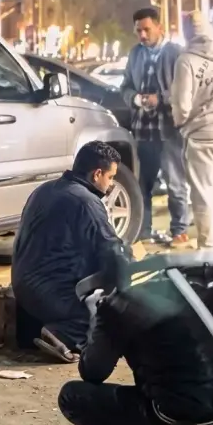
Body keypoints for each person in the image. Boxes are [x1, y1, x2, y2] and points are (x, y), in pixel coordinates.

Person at [58, 264, 213, 425]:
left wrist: (97, 315)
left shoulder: (120, 303)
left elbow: (92, 371)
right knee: (196, 366)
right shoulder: (209, 282)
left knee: (72, 396)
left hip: (174, 419)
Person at [11, 140, 126, 363]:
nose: (111, 184)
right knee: (105, 319)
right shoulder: (86, 201)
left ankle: (40, 330)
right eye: (110, 177)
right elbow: (110, 248)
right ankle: (62, 335)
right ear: (97, 174)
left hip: (22, 288)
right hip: (49, 291)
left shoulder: (44, 190)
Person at [121, 7, 189, 246]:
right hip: (143, 130)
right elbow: (125, 86)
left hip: (169, 129)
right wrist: (135, 99)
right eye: (138, 30)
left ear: (159, 27)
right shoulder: (135, 54)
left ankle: (179, 230)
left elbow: (184, 90)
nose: (142, 35)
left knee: (175, 182)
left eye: (146, 29)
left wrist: (160, 99)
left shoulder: (175, 53)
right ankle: (144, 230)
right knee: (143, 185)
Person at [171, 11, 213, 251]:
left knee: (203, 195)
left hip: (201, 136)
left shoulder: (186, 60)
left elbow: (182, 105)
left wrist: (181, 123)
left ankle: (208, 251)